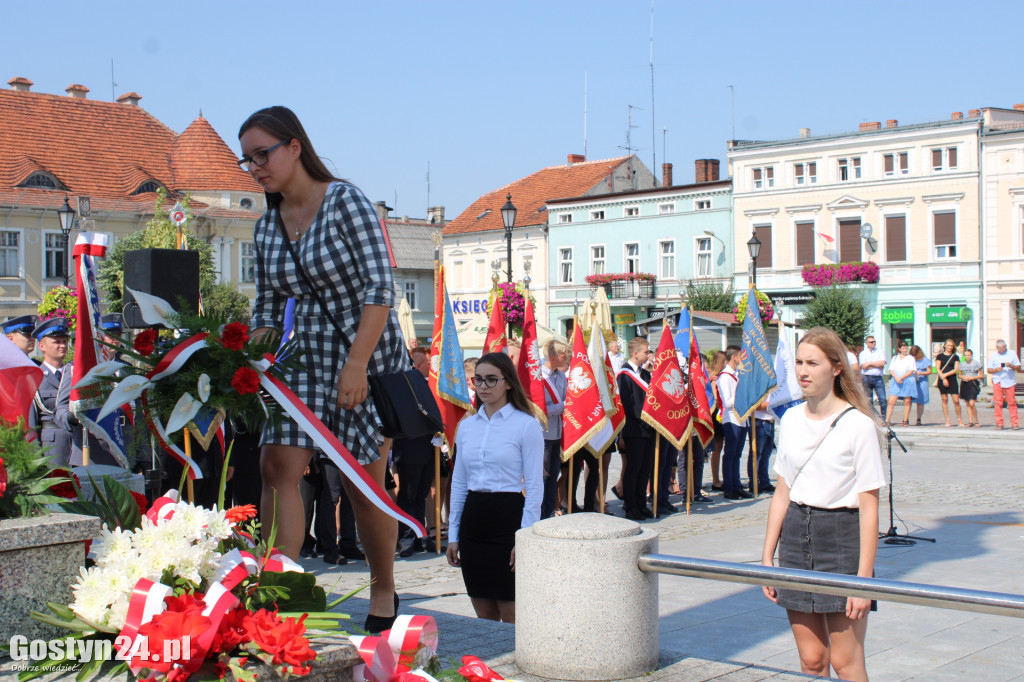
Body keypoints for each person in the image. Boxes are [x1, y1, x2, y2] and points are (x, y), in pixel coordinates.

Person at [240, 105, 407, 633]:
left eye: (262, 154)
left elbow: (381, 288)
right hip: (305, 358)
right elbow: (268, 302)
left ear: (295, 146)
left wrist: (357, 365)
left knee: (362, 484)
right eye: (247, 160)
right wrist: (252, 355)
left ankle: (384, 589)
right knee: (275, 468)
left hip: (367, 355)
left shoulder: (345, 201)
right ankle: (280, 596)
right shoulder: (266, 226)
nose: (255, 167)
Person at [761, 327, 885, 682]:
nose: (803, 371)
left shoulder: (859, 426)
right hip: (797, 537)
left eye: (812, 363)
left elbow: (870, 505)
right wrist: (767, 558)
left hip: (843, 539)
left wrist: (864, 580)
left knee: (846, 663)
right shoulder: (791, 419)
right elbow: (782, 493)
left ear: (836, 368)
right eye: (799, 362)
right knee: (812, 660)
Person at [445, 352, 543, 623]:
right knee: (483, 611)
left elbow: (535, 486)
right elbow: (460, 483)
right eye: (478, 380)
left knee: (511, 611)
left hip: (508, 516)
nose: (484, 386)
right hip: (474, 520)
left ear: (508, 382)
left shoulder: (526, 425)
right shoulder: (466, 427)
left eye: (491, 380)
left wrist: (524, 537)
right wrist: (453, 533)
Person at [393, 348, 435, 557]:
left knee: (421, 495)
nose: (430, 365)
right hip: (409, 448)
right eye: (426, 362)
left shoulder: (431, 386)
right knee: (408, 496)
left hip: (428, 447)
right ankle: (406, 538)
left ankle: (420, 536)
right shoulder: (403, 388)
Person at [617, 337, 656, 519]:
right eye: (646, 352)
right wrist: (644, 418)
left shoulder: (646, 374)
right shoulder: (624, 375)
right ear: (636, 353)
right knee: (633, 468)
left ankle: (641, 503)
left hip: (648, 429)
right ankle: (630, 505)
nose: (648, 355)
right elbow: (627, 405)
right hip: (634, 429)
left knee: (645, 468)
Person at [28, 318, 72, 464]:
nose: (62, 346)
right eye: (56, 342)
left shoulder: (74, 374)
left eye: (64, 341)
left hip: (79, 444)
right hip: (51, 447)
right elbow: (31, 424)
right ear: (42, 346)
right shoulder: (35, 377)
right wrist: (35, 459)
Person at [718, 346, 751, 500]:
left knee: (737, 455)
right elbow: (727, 402)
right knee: (730, 454)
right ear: (734, 357)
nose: (742, 359)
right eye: (740, 356)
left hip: (742, 419)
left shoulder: (737, 375)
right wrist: (742, 391)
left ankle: (737, 485)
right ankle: (729, 487)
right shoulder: (725, 377)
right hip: (731, 419)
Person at [540, 340, 567, 519]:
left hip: (558, 434)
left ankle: (549, 512)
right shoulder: (540, 377)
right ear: (553, 357)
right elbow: (541, 410)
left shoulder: (561, 376)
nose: (567, 358)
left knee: (553, 477)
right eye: (563, 355)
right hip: (543, 434)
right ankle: (540, 514)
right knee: (542, 477)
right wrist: (565, 406)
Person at [986, 339, 1020, 430]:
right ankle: (999, 423)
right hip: (998, 380)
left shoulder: (1012, 353)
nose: (1003, 350)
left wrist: (1010, 365)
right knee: (998, 402)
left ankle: (1014, 422)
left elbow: (1018, 366)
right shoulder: (994, 356)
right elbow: (988, 370)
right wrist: (995, 370)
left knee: (1012, 402)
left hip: (1009, 381)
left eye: (1004, 348)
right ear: (997, 348)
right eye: (1001, 349)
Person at [707, 350, 727, 491]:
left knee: (720, 447)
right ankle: (715, 479)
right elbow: (716, 397)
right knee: (717, 448)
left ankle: (721, 478)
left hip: (721, 414)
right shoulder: (714, 378)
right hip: (716, 414)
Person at [883, 341, 915, 427]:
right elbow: (891, 369)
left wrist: (901, 377)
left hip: (907, 380)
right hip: (896, 381)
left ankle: (905, 420)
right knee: (891, 401)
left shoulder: (910, 358)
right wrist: (896, 378)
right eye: (903, 348)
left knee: (907, 401)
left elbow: (911, 370)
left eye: (906, 348)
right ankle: (887, 420)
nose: (905, 350)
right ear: (899, 349)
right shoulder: (895, 358)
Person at [748, 397, 775, 495]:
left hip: (770, 421)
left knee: (766, 454)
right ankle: (754, 483)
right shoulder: (761, 385)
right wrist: (772, 402)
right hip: (759, 420)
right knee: (756, 454)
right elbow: (756, 405)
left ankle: (764, 481)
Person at [934, 339, 963, 427]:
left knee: (956, 400)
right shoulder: (940, 356)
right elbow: (937, 368)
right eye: (948, 345)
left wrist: (945, 375)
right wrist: (943, 377)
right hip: (942, 379)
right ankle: (947, 419)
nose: (950, 347)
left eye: (951, 346)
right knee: (944, 399)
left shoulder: (955, 357)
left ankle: (959, 419)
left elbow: (956, 369)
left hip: (952, 379)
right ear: (945, 346)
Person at [857, 336, 886, 417]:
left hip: (878, 377)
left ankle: (884, 418)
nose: (873, 343)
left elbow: (882, 363)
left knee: (882, 399)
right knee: (868, 399)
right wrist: (877, 364)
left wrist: (869, 363)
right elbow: (864, 366)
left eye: (874, 341)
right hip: (866, 377)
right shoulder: (863, 353)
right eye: (871, 342)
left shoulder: (880, 352)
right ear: (867, 344)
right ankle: (871, 417)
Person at [958, 349, 983, 428]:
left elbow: (981, 375)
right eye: (966, 355)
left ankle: (976, 420)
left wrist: (971, 378)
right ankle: (970, 421)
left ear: (971, 355)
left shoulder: (976, 363)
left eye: (968, 355)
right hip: (965, 383)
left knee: (972, 403)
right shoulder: (962, 364)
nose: (967, 357)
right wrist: (963, 377)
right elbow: (959, 375)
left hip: (973, 383)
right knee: (967, 403)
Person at [908, 345, 931, 426]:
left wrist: (921, 373)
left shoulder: (924, 360)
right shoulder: (909, 359)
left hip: (922, 380)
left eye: (915, 355)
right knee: (908, 400)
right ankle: (906, 417)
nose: (914, 357)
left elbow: (929, 371)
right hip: (912, 381)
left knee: (920, 401)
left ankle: (918, 418)